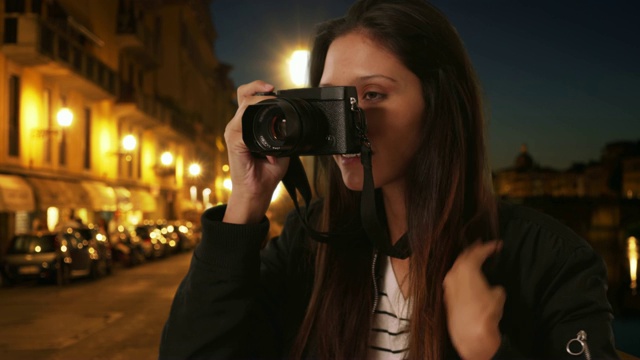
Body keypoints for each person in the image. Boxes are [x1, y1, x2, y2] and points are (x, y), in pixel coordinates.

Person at [159, 0, 618, 358]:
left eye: (373, 94)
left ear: (439, 106)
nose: (345, 125)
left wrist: (488, 351)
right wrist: (246, 200)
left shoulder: (552, 261)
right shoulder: (310, 243)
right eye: (333, 101)